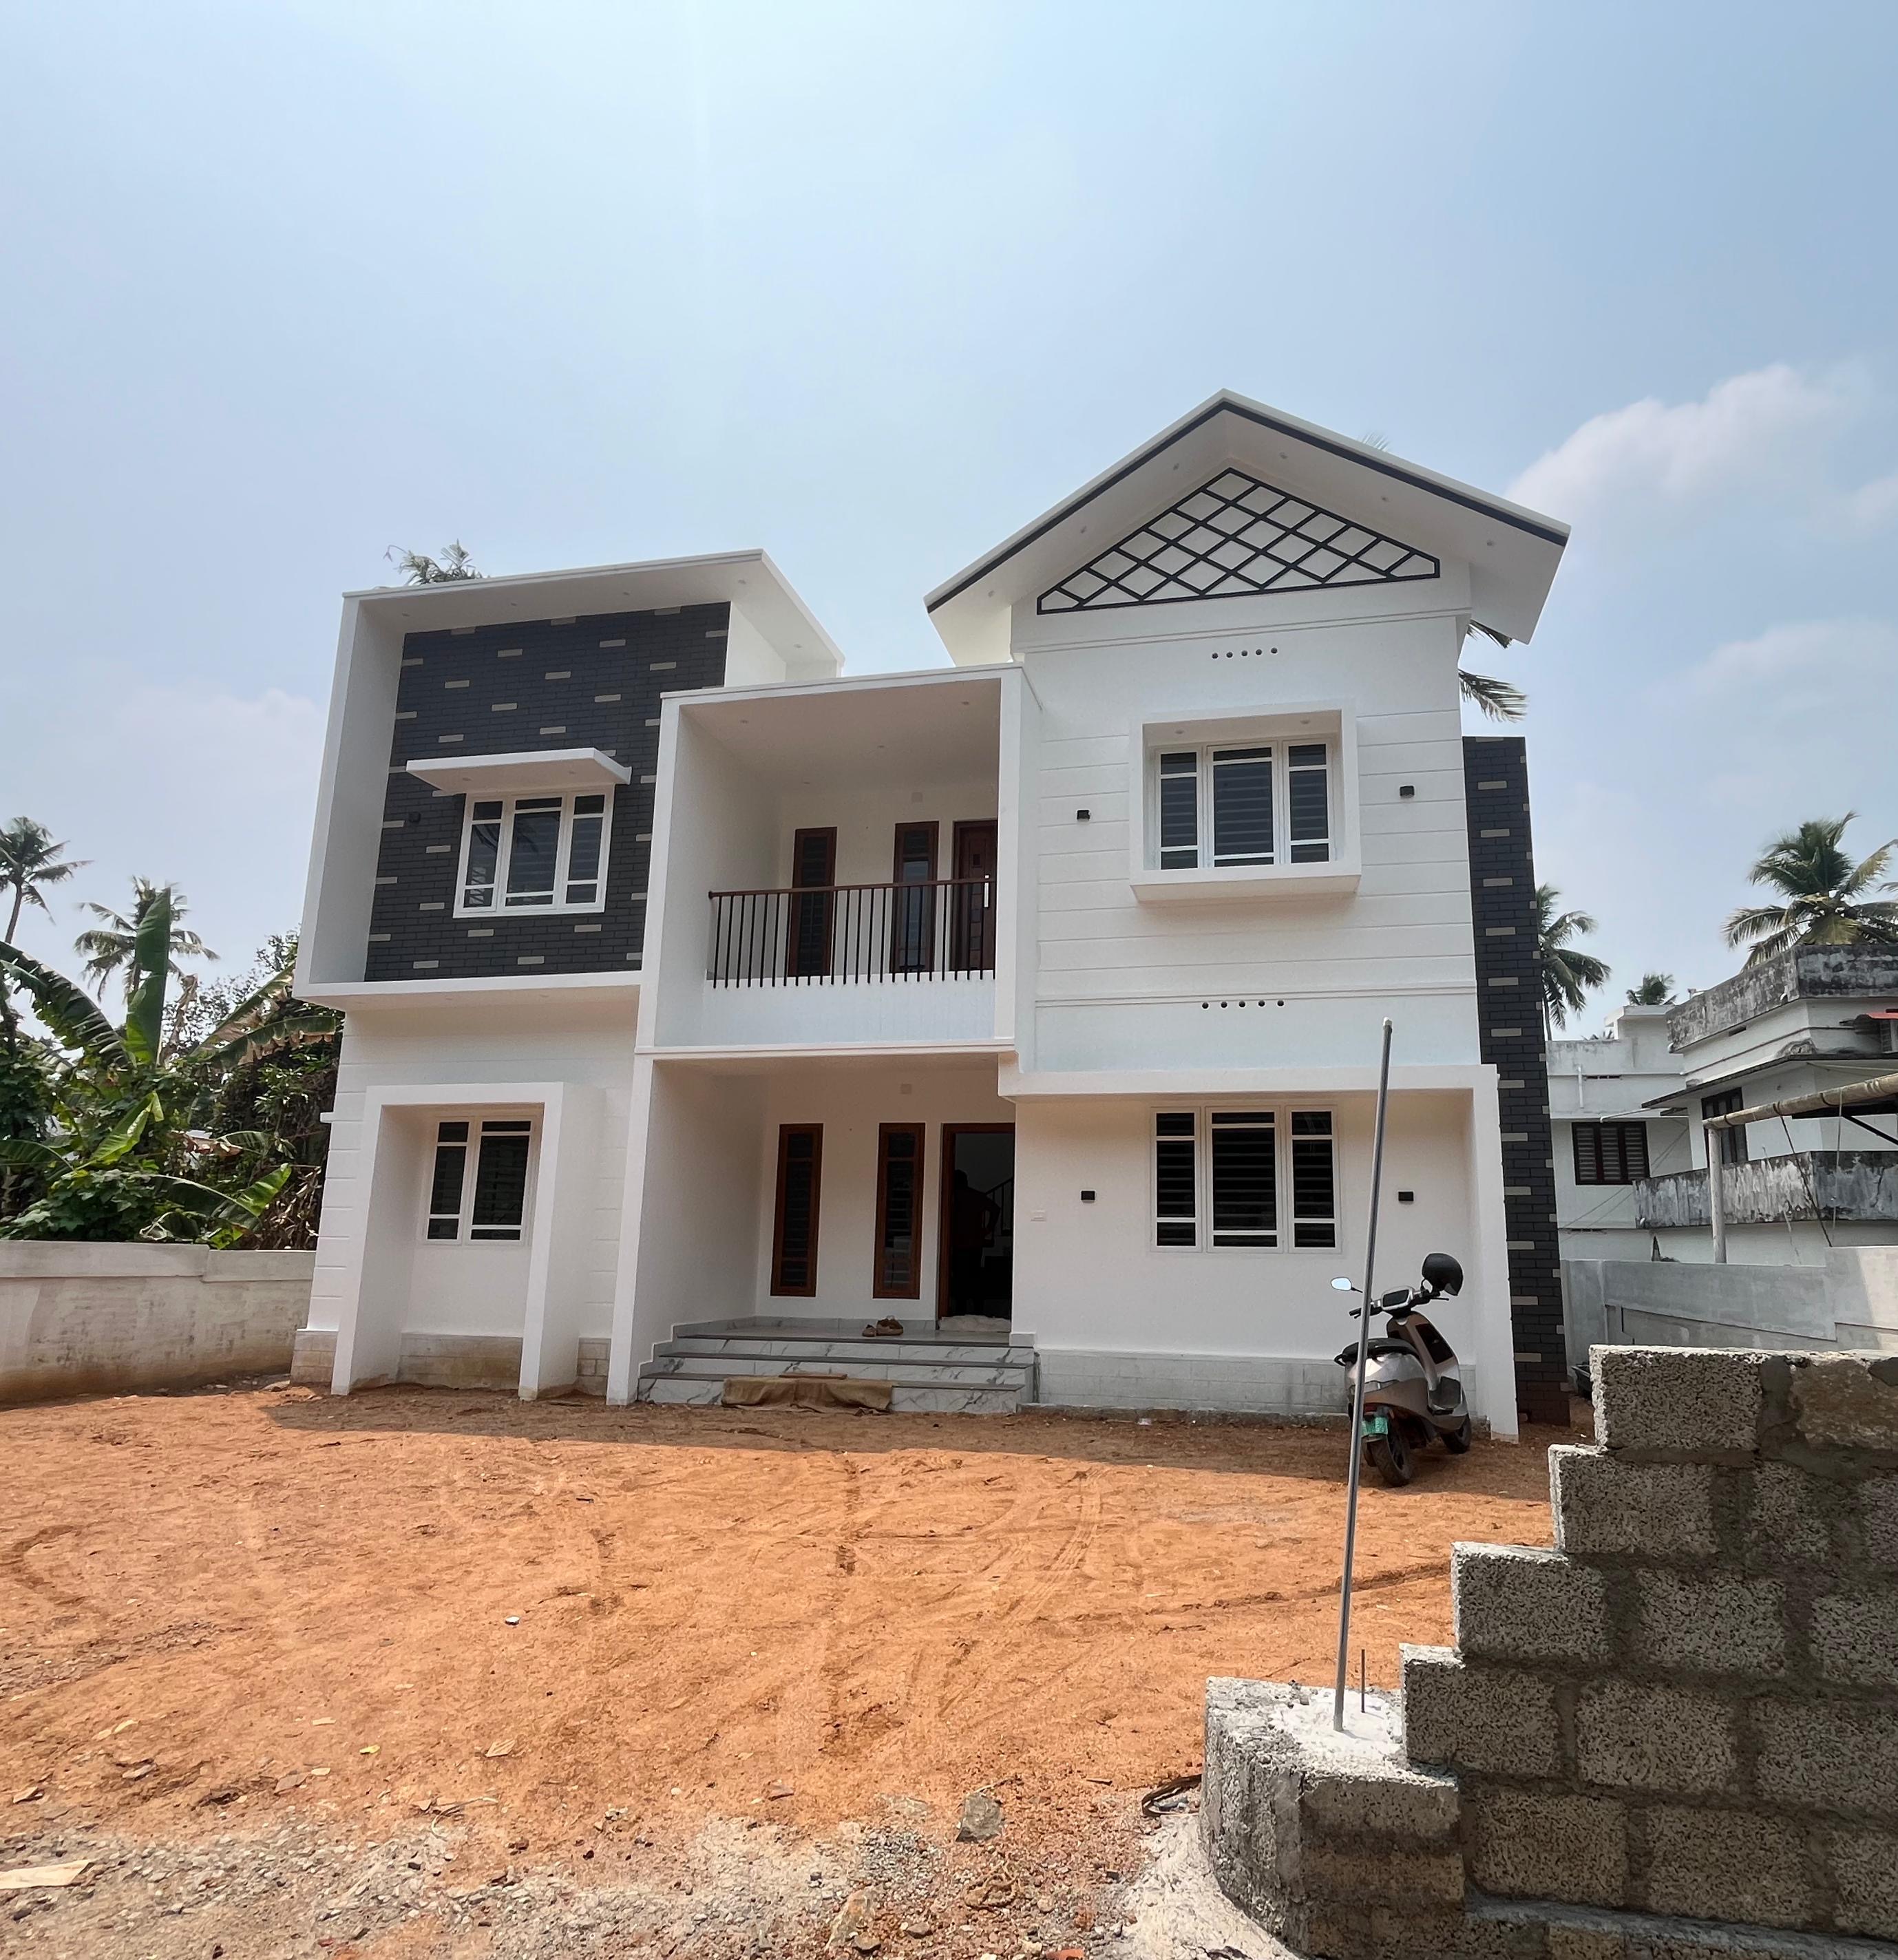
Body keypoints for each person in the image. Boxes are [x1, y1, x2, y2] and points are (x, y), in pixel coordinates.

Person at [948, 1169, 1000, 1314]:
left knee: (959, 1276)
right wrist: (988, 1229)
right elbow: (996, 1209)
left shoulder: (952, 1196)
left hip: (957, 1242)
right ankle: (978, 1309)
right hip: (975, 1242)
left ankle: (961, 1309)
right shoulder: (977, 1196)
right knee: (975, 1275)